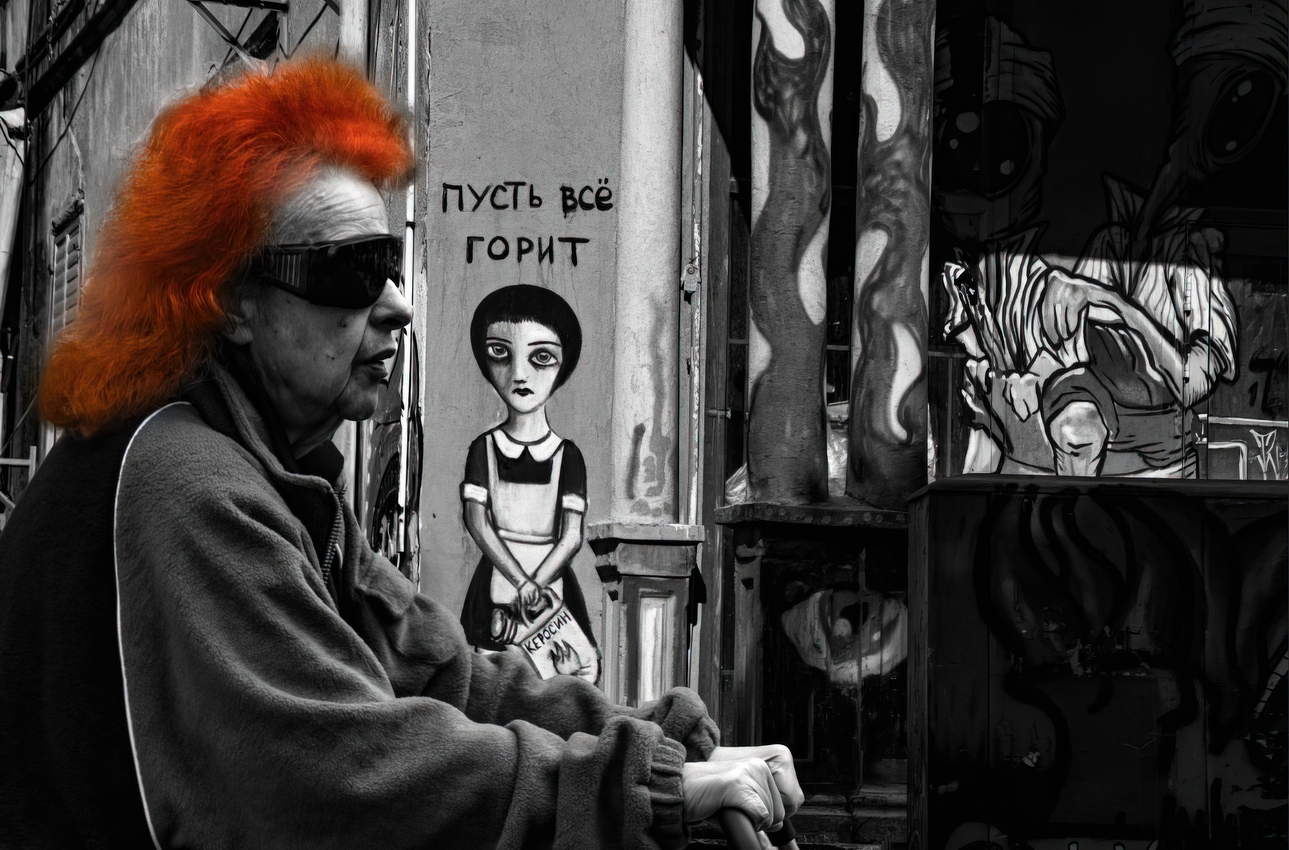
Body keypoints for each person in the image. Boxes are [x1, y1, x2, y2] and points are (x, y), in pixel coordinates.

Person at [0, 58, 801, 848]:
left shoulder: (270, 473)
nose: (398, 304)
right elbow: (336, 775)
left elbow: (439, 671)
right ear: (234, 303)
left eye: (388, 263)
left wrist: (659, 745)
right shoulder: (188, 485)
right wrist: (639, 788)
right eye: (353, 271)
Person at [460, 285, 598, 682]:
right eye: (500, 352)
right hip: (498, 586)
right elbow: (477, 522)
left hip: (550, 589)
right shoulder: (483, 449)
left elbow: (571, 536)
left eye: (541, 357)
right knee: (491, 683)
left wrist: (535, 585)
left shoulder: (568, 456)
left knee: (567, 678)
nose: (520, 374)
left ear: (563, 365)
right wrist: (521, 582)